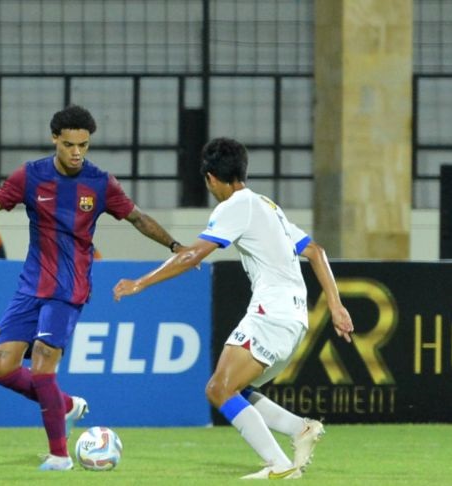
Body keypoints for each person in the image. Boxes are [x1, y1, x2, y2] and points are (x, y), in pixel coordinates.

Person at [0, 105, 186, 471]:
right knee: (2, 368)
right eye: (69, 145)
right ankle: (66, 405)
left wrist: (175, 246)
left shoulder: (100, 183)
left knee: (43, 363)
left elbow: (138, 218)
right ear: (55, 140)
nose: (77, 152)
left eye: (84, 145)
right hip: (31, 286)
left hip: (69, 288)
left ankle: (60, 456)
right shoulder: (31, 176)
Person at [113, 137, 355, 479]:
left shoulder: (235, 206)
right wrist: (336, 306)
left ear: (211, 178)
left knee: (219, 389)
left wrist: (140, 283)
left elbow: (193, 255)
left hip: (272, 313)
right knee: (234, 388)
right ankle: (300, 428)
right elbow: (316, 251)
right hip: (295, 317)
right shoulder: (267, 206)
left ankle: (280, 466)